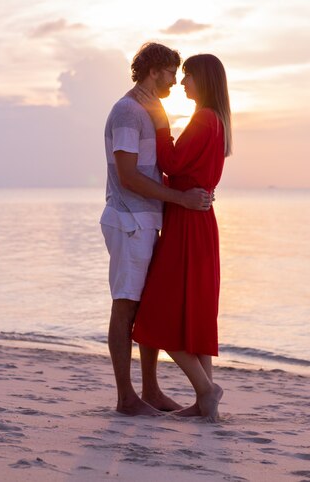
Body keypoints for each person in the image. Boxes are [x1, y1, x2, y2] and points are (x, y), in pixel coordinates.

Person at [100, 43, 213, 416]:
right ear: (154, 70)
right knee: (126, 305)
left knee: (146, 307)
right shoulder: (128, 112)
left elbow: (163, 164)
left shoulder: (150, 109)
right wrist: (180, 200)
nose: (176, 80)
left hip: (148, 220)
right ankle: (125, 398)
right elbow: (129, 176)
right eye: (170, 71)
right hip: (129, 220)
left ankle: (150, 390)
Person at [132, 53, 232, 421]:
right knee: (195, 313)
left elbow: (172, 164)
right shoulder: (218, 120)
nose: (183, 82)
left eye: (188, 75)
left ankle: (207, 390)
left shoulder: (204, 118)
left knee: (157, 314)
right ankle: (205, 403)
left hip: (188, 221)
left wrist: (160, 122)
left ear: (203, 80)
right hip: (198, 219)